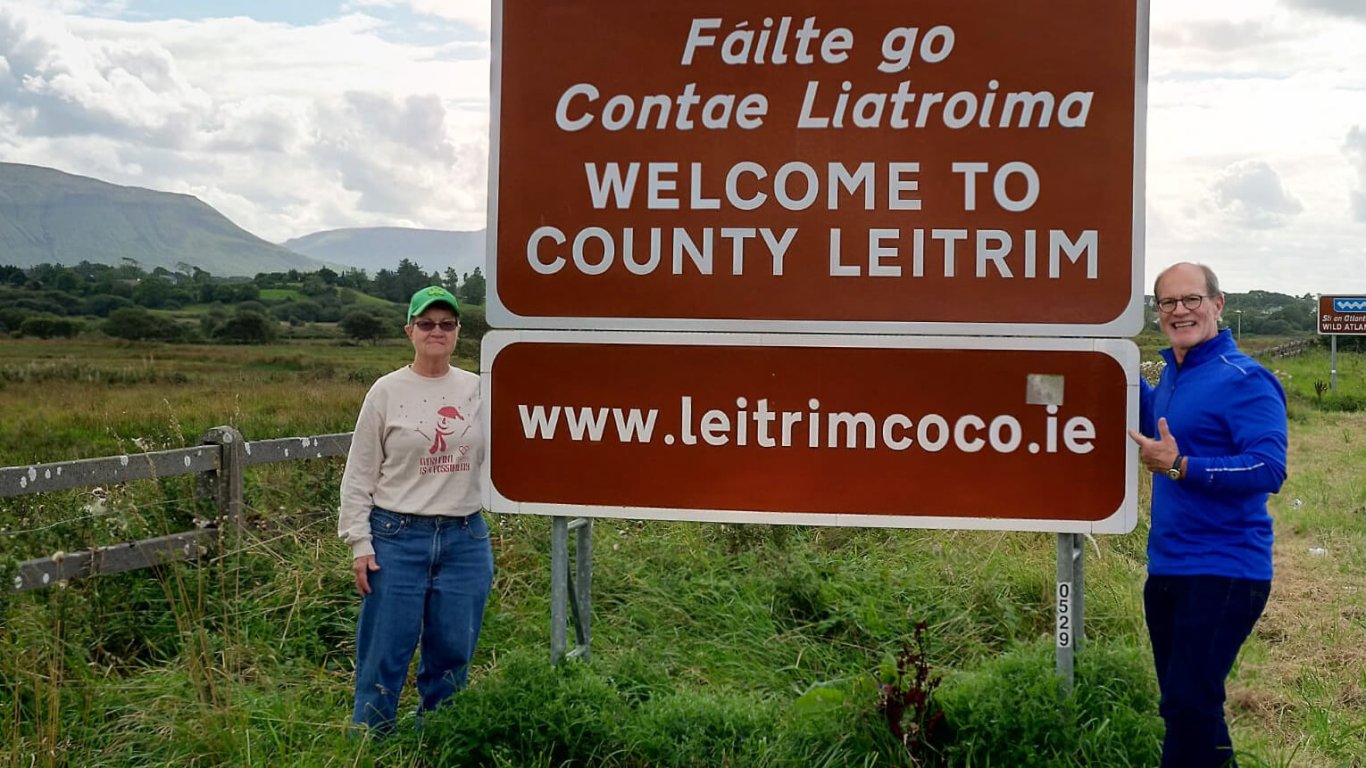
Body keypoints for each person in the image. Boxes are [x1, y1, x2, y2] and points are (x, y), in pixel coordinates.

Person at [1128, 263, 1288, 767]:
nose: (1180, 311)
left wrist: (1179, 466)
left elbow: (1268, 467)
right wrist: (1105, 355)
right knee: (1191, 706)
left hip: (1226, 570)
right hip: (1169, 569)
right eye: (1168, 303)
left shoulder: (1246, 380)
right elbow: (1147, 417)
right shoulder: (1176, 377)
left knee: (1188, 703)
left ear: (1218, 304)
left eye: (1191, 299)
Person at [338, 285, 493, 733]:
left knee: (451, 653)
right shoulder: (386, 392)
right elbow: (359, 474)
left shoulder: (479, 389)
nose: (436, 331)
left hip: (466, 537)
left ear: (458, 331)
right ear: (410, 330)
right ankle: (371, 743)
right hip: (396, 537)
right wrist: (359, 542)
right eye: (426, 323)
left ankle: (436, 740)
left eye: (446, 324)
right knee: (384, 653)